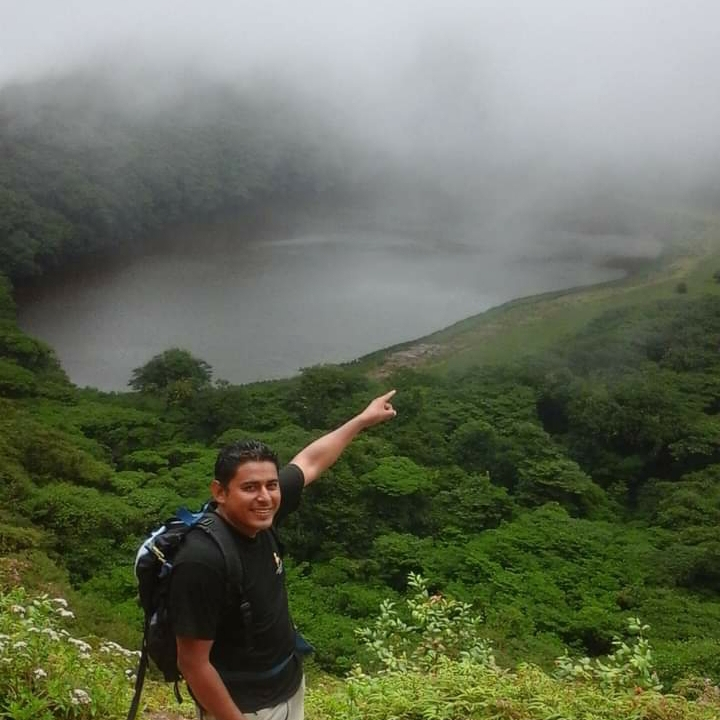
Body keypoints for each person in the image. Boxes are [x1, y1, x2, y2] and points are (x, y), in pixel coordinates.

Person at [167, 389, 398, 720]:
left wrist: (362, 420)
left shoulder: (264, 509)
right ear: (220, 492)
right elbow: (191, 662)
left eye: (271, 485)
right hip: (245, 707)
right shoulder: (202, 559)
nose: (264, 497)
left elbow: (310, 461)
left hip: (288, 686)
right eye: (250, 488)